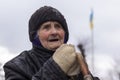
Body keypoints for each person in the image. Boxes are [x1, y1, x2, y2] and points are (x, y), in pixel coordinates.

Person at [3, 6, 100, 80]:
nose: (54, 32)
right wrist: (55, 68)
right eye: (46, 27)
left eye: (58, 26)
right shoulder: (16, 66)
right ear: (35, 35)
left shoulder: (76, 63)